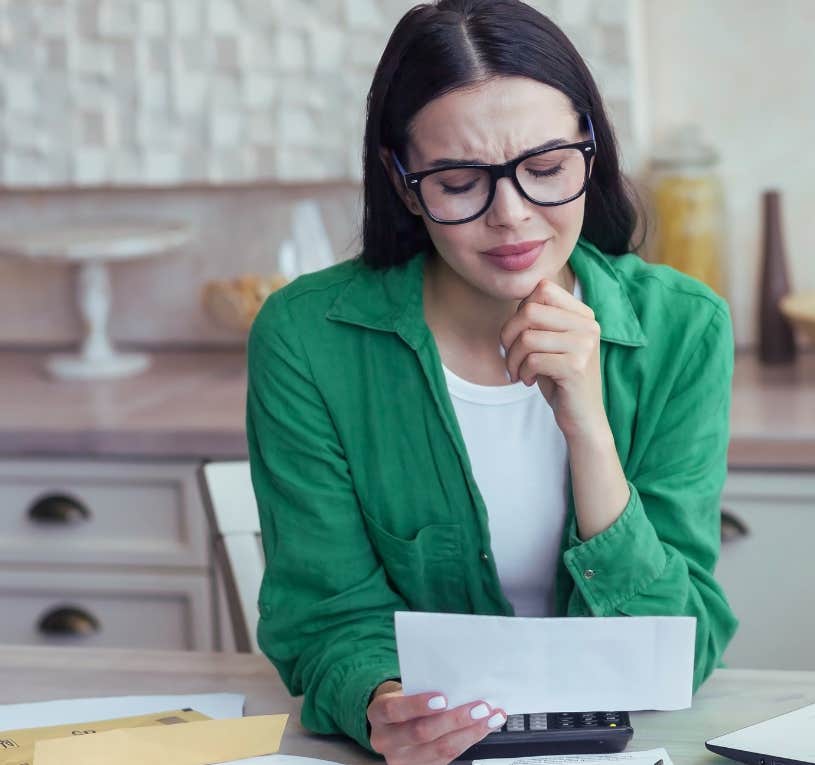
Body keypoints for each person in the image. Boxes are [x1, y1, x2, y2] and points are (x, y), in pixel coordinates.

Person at [244, 1, 738, 763]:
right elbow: (325, 618)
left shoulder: (684, 328)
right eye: (459, 182)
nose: (512, 216)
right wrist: (384, 702)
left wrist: (588, 428)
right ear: (404, 183)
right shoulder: (308, 339)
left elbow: (682, 646)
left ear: (591, 154)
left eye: (545, 170)